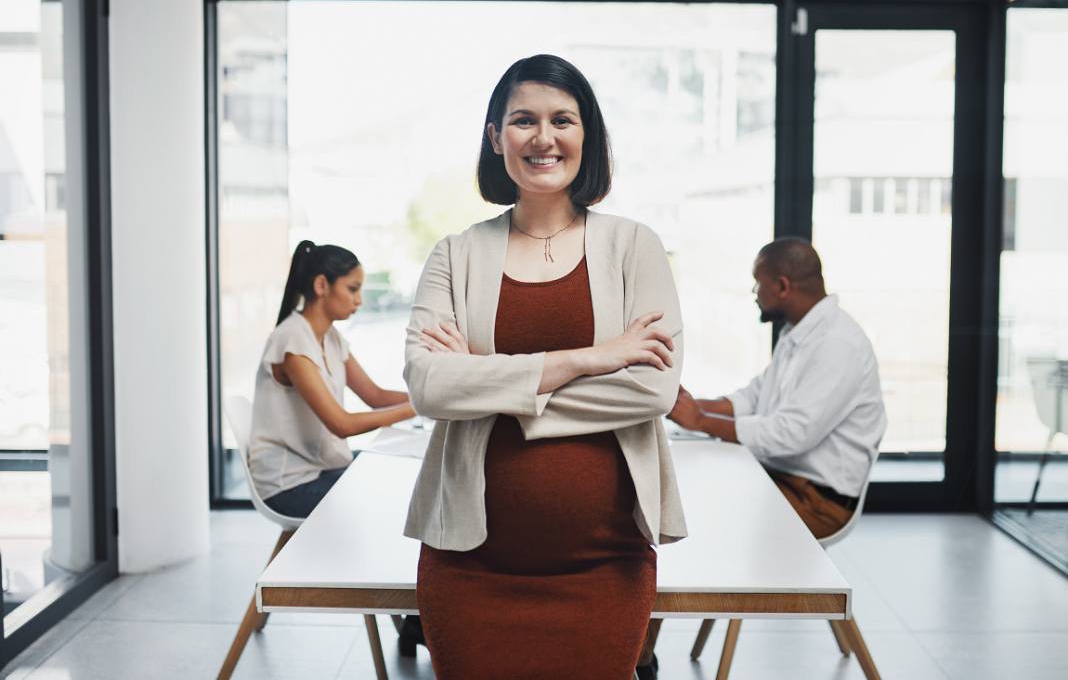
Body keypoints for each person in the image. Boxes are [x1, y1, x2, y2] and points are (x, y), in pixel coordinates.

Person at [401, 55, 687, 680]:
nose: (543, 137)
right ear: (495, 136)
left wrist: (487, 381)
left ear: (588, 135)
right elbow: (428, 385)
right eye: (523, 120)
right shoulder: (455, 254)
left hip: (605, 565)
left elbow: (652, 388)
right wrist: (591, 359)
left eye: (563, 120)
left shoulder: (634, 246)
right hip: (468, 565)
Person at [667, 237, 887, 539]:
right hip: (783, 477)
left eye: (758, 283)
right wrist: (688, 405)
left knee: (708, 508)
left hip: (817, 500)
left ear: (782, 286)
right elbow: (756, 396)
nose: (754, 292)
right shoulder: (799, 330)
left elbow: (791, 433)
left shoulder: (838, 344)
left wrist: (701, 421)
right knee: (700, 490)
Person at [248, 240, 416, 519]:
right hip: (289, 485)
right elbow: (341, 424)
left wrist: (433, 397)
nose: (359, 300)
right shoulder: (292, 341)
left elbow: (375, 396)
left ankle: (291, 548)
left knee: (394, 465)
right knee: (391, 489)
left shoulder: (330, 337)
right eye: (353, 289)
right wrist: (421, 407)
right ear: (321, 285)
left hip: (320, 468)